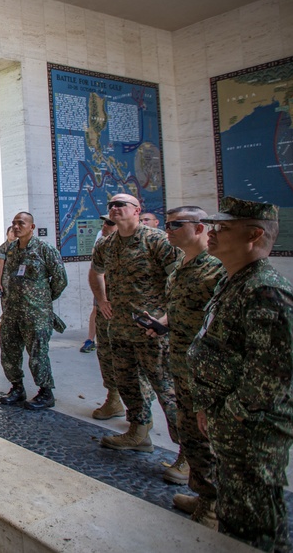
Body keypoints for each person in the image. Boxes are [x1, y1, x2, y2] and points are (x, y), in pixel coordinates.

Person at [188, 197, 293, 551]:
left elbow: (268, 381)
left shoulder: (267, 292)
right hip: (231, 420)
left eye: (224, 228)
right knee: (236, 513)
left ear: (253, 235)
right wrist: (208, 404)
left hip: (253, 429)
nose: (212, 233)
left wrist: (228, 416)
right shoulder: (234, 280)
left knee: (255, 525)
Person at [138, 206, 223, 523]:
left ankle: (217, 506)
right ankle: (205, 496)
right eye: (168, 224)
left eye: (176, 224)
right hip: (181, 363)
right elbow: (178, 310)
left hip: (207, 370)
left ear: (200, 228)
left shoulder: (217, 270)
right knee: (191, 433)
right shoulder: (180, 269)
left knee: (209, 437)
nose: (169, 229)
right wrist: (162, 322)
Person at [90, 193, 180, 452]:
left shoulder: (158, 240)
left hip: (151, 330)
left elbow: (181, 278)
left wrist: (166, 317)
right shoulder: (107, 244)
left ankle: (190, 455)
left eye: (121, 204)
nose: (114, 208)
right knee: (129, 385)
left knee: (167, 391)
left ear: (137, 210)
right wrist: (102, 300)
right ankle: (139, 433)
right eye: (111, 205)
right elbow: (96, 273)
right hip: (119, 329)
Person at [0, 212, 68, 410]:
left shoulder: (44, 250)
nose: (17, 227)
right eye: (14, 223)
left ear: (32, 227)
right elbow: (8, 278)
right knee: (9, 351)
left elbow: (60, 280)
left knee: (37, 354)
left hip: (36, 313)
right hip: (12, 312)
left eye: (21, 223)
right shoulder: (11, 249)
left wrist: (43, 300)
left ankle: (45, 392)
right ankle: (17, 388)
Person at [82, 216, 115, 355]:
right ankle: (91, 339)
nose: (104, 225)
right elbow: (96, 270)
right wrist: (101, 298)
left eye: (109, 223)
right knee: (97, 310)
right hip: (105, 285)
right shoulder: (102, 241)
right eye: (105, 222)